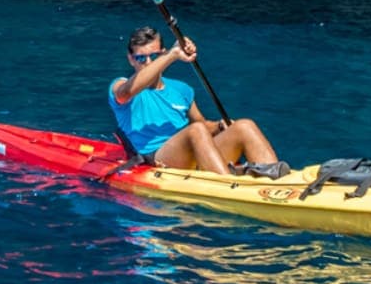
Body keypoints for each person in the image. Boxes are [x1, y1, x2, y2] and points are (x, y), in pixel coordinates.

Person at [109, 25, 289, 177]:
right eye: (141, 58)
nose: (148, 63)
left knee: (244, 126)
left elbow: (203, 125)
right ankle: (227, 185)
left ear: (161, 53)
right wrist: (171, 56)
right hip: (157, 156)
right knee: (195, 131)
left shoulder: (182, 89)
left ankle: (276, 179)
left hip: (195, 152)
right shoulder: (120, 85)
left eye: (154, 57)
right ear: (131, 59)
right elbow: (125, 93)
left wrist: (219, 126)